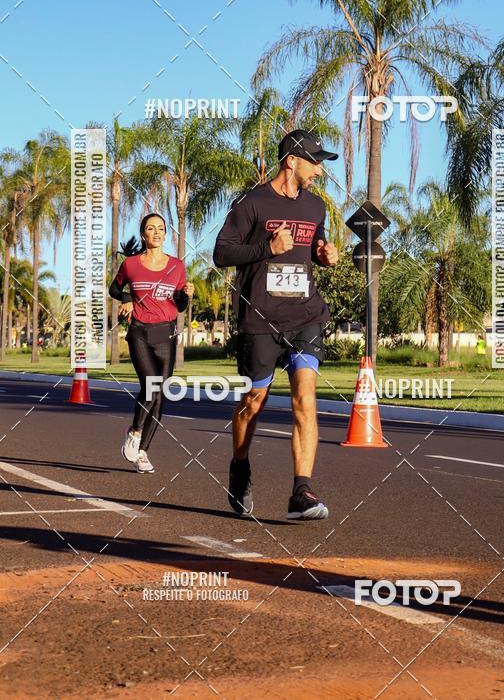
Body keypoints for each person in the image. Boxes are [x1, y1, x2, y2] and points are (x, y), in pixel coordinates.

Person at [213, 129, 339, 520]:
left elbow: (313, 248)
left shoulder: (315, 207)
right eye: (315, 162)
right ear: (292, 161)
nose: (319, 170)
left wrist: (324, 254)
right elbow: (222, 253)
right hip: (260, 319)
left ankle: (302, 491)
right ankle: (240, 466)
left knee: (305, 398)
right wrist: (268, 247)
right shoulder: (252, 203)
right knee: (254, 401)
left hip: (306, 316)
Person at [109, 213, 194, 474]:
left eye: (160, 228)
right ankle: (134, 432)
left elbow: (179, 306)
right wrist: (127, 298)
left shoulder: (177, 266)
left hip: (165, 334)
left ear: (166, 234)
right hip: (139, 333)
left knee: (160, 395)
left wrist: (187, 295)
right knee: (151, 386)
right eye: (150, 228)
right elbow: (114, 289)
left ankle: (143, 451)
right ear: (143, 234)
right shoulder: (131, 264)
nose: (156, 232)